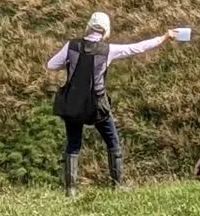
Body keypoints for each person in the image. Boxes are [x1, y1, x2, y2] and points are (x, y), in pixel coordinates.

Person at [46, 12, 182, 195]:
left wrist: (71, 63)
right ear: (106, 30)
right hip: (97, 104)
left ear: (88, 26)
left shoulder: (72, 45)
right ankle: (117, 184)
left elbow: (51, 65)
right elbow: (137, 48)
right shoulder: (108, 50)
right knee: (113, 142)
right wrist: (164, 37)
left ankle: (71, 189)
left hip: (72, 103)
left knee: (73, 144)